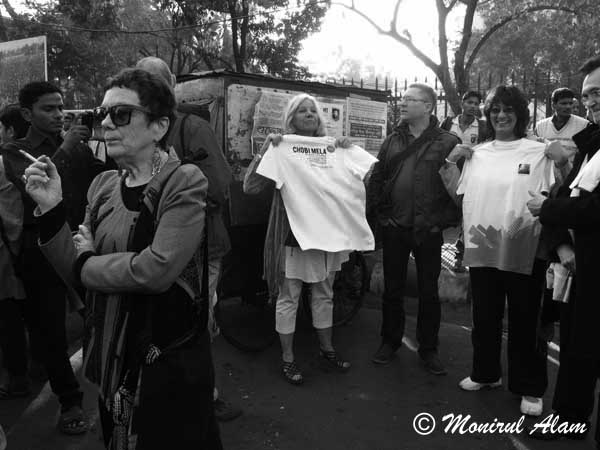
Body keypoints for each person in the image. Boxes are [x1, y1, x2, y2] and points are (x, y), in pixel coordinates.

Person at [23, 68, 222, 449]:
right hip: (112, 356)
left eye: (121, 113)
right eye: (103, 113)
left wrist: (87, 262)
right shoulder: (103, 186)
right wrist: (50, 209)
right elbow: (74, 272)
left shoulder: (183, 181)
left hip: (165, 364)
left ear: (159, 126)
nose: (106, 123)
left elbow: (156, 270)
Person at [0, 81, 109, 435]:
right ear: (27, 113)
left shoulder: (75, 146)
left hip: (80, 242)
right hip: (39, 250)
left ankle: (108, 385)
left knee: (97, 315)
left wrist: (106, 143)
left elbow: (102, 177)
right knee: (50, 331)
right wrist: (66, 147)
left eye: (61, 107)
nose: (59, 115)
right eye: (49, 109)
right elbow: (32, 190)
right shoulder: (14, 151)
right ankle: (70, 401)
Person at [244, 93, 376, 385]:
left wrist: (346, 150)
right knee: (288, 297)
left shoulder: (334, 149)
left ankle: (327, 349)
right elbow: (251, 188)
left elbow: (366, 178)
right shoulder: (281, 148)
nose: (309, 115)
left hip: (328, 235)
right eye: (302, 111)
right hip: (292, 237)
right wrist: (265, 151)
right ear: (291, 118)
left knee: (324, 294)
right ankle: (288, 358)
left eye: (313, 111)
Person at [135, 56, 240, 421]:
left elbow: (220, 187)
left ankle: (205, 396)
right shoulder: (133, 129)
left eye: (154, 83)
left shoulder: (192, 127)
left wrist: (174, 196)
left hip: (199, 248)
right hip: (150, 250)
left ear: (171, 87)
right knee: (155, 326)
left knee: (197, 324)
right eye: (141, 84)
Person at [444, 85, 558, 417]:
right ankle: (486, 373)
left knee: (526, 320)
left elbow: (557, 195)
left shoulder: (537, 152)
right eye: (495, 110)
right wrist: (452, 161)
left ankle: (529, 387)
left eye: (509, 110)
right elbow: (459, 196)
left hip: (525, 248)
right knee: (484, 316)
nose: (501, 116)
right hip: (483, 247)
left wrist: (561, 162)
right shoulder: (478, 154)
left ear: (520, 114)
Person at [527, 55, 600, 446]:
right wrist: (561, 243)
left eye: (598, 92)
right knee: (574, 348)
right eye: (588, 94)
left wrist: (548, 209)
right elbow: (566, 193)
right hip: (577, 267)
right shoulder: (592, 143)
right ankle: (569, 418)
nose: (590, 102)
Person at [367, 83, 460, 375]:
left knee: (428, 292)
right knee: (392, 289)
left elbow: (458, 188)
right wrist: (383, 217)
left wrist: (440, 222)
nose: (403, 103)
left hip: (428, 231)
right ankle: (390, 341)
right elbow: (377, 179)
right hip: (395, 227)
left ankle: (428, 348)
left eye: (410, 99)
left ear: (428, 106)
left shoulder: (448, 142)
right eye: (403, 98)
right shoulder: (392, 140)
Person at [0, 105, 29, 399]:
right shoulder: (25, 159)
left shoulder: (3, 161)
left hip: (7, 252)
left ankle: (17, 376)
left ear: (9, 130)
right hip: (21, 248)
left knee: (8, 317)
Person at [535, 87, 589, 161]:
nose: (568, 107)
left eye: (570, 103)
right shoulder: (541, 126)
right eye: (564, 103)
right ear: (553, 105)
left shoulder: (583, 126)